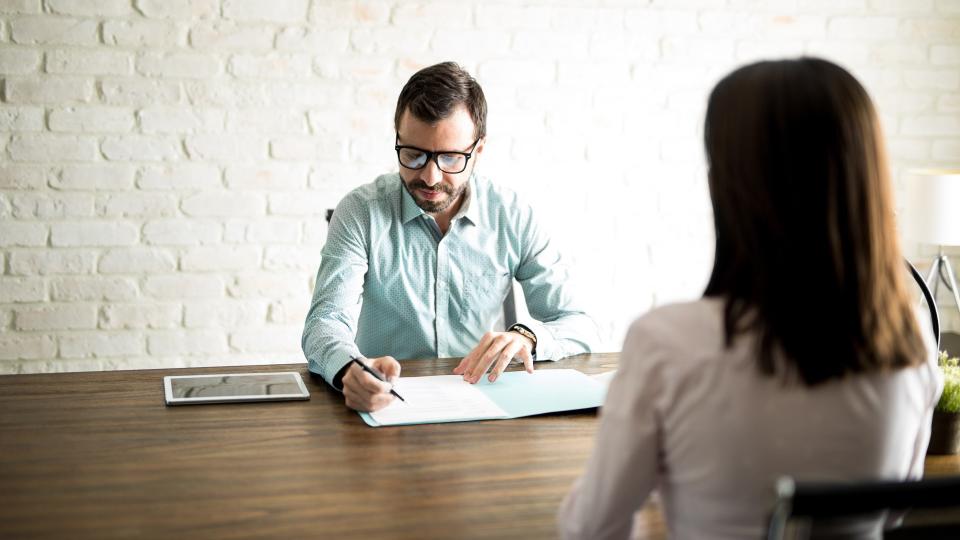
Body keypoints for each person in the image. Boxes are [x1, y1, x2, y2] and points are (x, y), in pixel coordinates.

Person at [558, 57, 943, 540]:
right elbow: (892, 513)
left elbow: (594, 528)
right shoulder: (909, 337)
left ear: (732, 183)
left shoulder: (666, 341)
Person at [302, 62, 598, 412]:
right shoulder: (360, 212)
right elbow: (324, 324)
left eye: (450, 158)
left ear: (479, 151)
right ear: (397, 138)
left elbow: (579, 325)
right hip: (389, 407)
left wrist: (528, 338)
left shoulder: (512, 215)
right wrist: (349, 369)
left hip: (486, 410)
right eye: (413, 155)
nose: (429, 177)